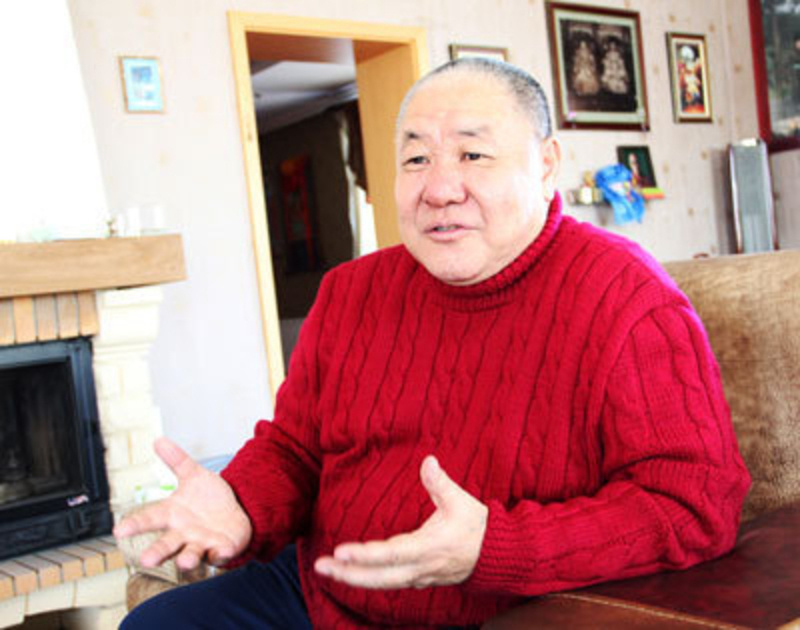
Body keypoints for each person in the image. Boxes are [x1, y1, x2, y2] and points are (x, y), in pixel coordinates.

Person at [116, 57, 751, 629]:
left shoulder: (627, 299)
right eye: (417, 159)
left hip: (506, 609)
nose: (440, 188)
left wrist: (494, 547)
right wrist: (241, 503)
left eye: (473, 155)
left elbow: (694, 505)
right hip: (324, 594)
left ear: (546, 164)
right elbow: (296, 449)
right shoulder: (349, 292)